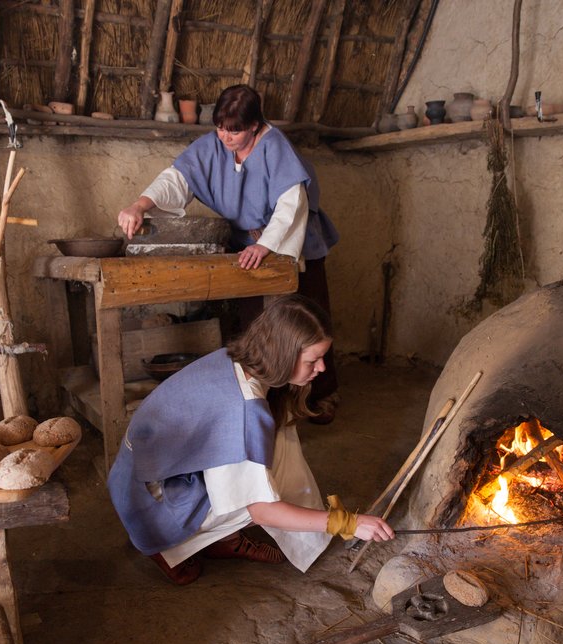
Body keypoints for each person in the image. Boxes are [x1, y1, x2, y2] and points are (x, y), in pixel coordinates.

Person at [107, 294, 394, 585]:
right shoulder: (244, 408)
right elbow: (261, 509)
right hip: (147, 502)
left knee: (279, 437)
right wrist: (348, 522)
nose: (321, 368)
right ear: (282, 353)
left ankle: (222, 537)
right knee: (252, 498)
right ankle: (167, 548)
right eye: (313, 360)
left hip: (147, 472)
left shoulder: (238, 361)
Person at [117, 84, 340, 423]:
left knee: (309, 323)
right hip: (251, 247)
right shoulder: (213, 146)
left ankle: (320, 398)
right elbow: (176, 179)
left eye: (234, 129)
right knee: (259, 324)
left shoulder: (275, 147)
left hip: (292, 243)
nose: (225, 136)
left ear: (254, 125)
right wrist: (139, 205)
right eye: (220, 126)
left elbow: (291, 204)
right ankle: (269, 402)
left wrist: (266, 245)